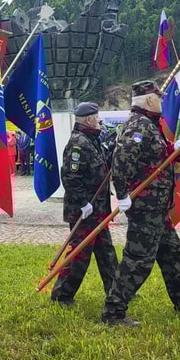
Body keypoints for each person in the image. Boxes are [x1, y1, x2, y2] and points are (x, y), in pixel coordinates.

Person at [102, 81, 180, 326]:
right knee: (137, 260)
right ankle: (113, 312)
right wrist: (122, 195)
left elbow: (156, 157)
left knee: (172, 252)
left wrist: (175, 149)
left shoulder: (149, 124)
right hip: (146, 207)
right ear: (150, 100)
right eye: (159, 98)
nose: (162, 101)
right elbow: (120, 161)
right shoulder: (138, 126)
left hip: (158, 207)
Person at [50, 102, 119, 307]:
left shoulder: (92, 140)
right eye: (97, 119)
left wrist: (112, 146)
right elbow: (71, 177)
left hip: (98, 209)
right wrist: (82, 203)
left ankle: (117, 291)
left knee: (106, 252)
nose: (99, 122)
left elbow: (103, 165)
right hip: (85, 211)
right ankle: (62, 295)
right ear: (89, 120)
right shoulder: (78, 144)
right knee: (80, 254)